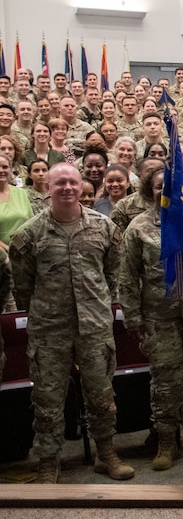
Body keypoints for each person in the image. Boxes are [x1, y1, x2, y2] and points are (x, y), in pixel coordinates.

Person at [11, 163, 130, 483]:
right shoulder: (29, 234)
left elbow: (111, 276)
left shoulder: (104, 228)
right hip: (49, 329)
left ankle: (107, 454)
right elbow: (23, 286)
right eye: (59, 182)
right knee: (47, 399)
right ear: (47, 187)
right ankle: (49, 461)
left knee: (101, 394)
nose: (66, 188)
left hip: (93, 326)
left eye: (72, 183)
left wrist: (99, 306)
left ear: (82, 187)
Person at [119, 168, 183, 470]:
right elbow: (127, 277)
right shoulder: (138, 227)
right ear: (148, 191)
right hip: (158, 317)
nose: (166, 191)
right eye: (159, 187)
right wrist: (133, 319)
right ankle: (166, 439)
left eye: (174, 186)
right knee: (165, 380)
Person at [0, 153, 32, 248]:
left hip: (24, 253)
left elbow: (31, 224)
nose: (1, 170)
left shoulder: (21, 193)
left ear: (10, 169)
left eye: (5, 167)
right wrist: (8, 251)